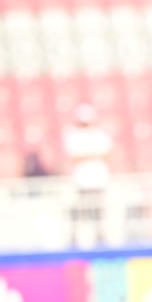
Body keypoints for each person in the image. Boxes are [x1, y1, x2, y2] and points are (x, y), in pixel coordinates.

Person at [62, 103, 112, 248]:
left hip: (98, 181)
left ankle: (100, 238)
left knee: (99, 212)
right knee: (78, 212)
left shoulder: (101, 135)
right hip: (81, 182)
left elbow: (107, 155)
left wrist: (87, 155)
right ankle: (74, 238)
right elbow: (75, 157)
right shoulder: (73, 135)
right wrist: (93, 155)